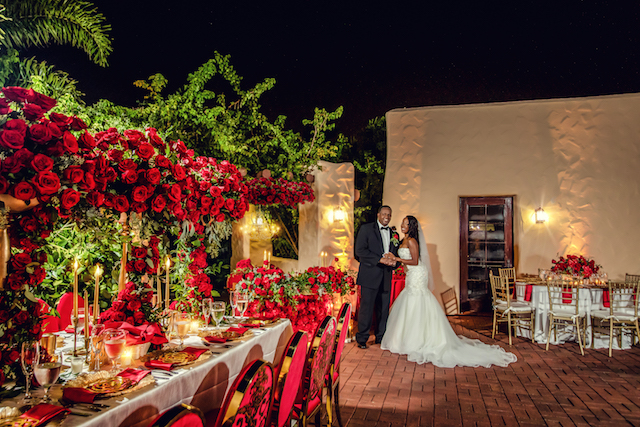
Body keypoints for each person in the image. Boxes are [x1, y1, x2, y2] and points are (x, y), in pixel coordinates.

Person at [380, 215, 517, 368]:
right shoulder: (403, 240)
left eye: (406, 223)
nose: (402, 225)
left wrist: (397, 259)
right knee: (410, 301)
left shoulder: (412, 241)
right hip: (411, 274)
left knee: (417, 300)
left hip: (417, 273)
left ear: (411, 226)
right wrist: (394, 260)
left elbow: (415, 261)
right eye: (402, 223)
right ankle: (406, 338)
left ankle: (420, 339)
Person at [354, 205, 399, 349]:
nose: (387, 217)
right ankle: (362, 339)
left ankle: (381, 337)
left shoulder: (393, 234)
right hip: (369, 276)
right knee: (366, 309)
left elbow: (395, 254)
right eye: (384, 214)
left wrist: (394, 263)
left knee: (383, 309)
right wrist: (379, 260)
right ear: (378, 215)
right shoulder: (366, 229)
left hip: (386, 276)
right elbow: (359, 251)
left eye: (389, 215)